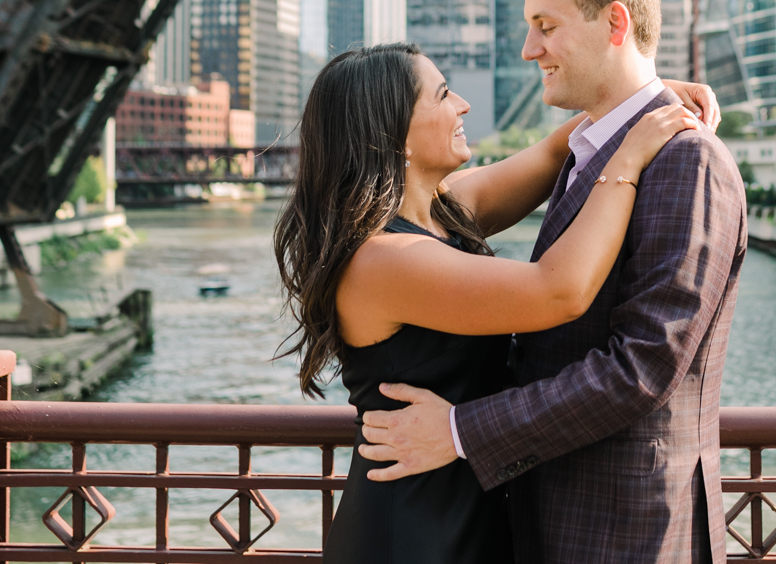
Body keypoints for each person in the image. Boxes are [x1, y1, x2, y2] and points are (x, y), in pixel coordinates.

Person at [357, 0, 749, 564]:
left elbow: (643, 368)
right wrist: (635, 100)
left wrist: (460, 431)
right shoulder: (600, 153)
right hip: (533, 515)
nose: (528, 48)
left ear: (615, 22)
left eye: (546, 25)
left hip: (626, 531)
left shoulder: (684, 161)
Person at [274, 40, 721, 564]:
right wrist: (629, 157)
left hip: (467, 502)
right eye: (442, 96)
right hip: (414, 529)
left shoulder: (442, 214)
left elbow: (557, 151)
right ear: (393, 136)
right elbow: (561, 290)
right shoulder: (381, 261)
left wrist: (650, 94)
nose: (462, 105)